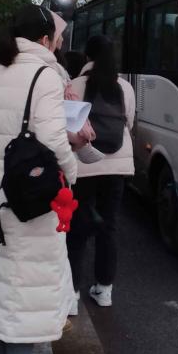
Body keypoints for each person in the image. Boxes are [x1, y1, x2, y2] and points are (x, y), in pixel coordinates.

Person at [0, 3, 78, 354]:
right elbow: (53, 138)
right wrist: (71, 172)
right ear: (44, 39)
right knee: (23, 294)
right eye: (56, 37)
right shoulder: (45, 76)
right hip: (30, 201)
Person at [66, 35, 135, 312]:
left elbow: (68, 126)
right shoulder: (125, 87)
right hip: (117, 166)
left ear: (87, 56)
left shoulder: (75, 85)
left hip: (84, 164)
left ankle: (71, 295)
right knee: (109, 226)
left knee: (77, 228)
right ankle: (104, 290)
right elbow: (129, 123)